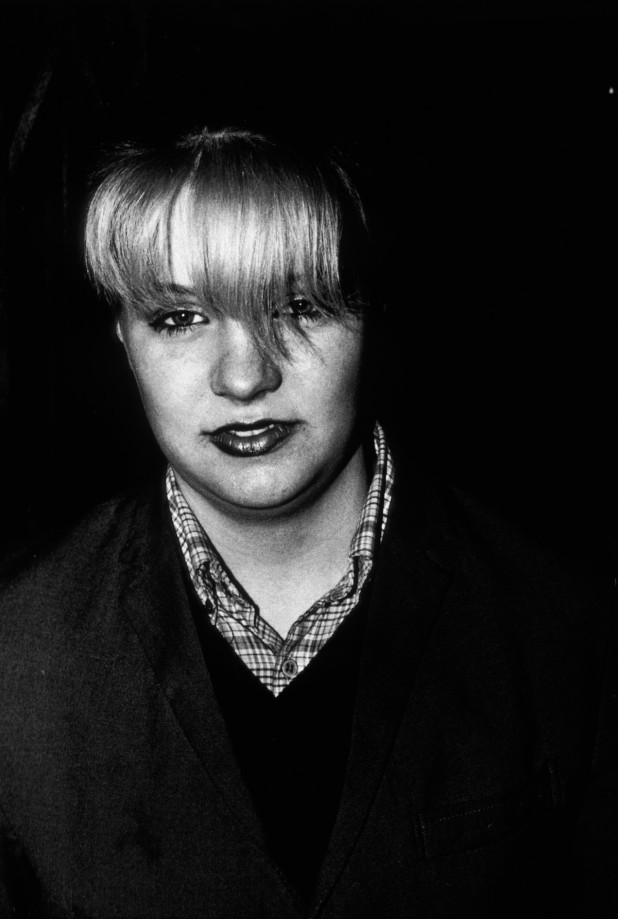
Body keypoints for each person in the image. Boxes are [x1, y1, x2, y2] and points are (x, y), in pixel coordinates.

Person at [0, 126, 615, 918]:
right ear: (124, 338)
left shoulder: (571, 627)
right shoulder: (18, 650)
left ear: (370, 315)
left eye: (299, 304)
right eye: (182, 318)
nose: (246, 375)